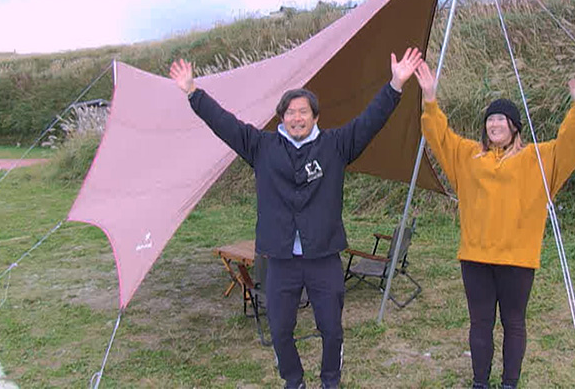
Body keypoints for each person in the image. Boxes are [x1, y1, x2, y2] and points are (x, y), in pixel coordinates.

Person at [169, 48, 424, 389]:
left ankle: (330, 380)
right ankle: (294, 380)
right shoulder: (261, 146)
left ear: (315, 117)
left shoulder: (336, 145)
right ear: (281, 118)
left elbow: (370, 121)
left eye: (303, 112)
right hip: (280, 259)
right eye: (290, 112)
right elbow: (224, 124)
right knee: (280, 329)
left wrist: (394, 85)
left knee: (331, 328)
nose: (297, 118)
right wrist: (192, 91)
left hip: (324, 257)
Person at [414, 62, 575, 389]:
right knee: (480, 324)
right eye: (490, 119)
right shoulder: (467, 156)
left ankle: (509, 383)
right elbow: (439, 136)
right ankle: (480, 383)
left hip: (517, 260)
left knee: (514, 324)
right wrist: (429, 99)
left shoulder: (537, 159)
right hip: (476, 258)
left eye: (501, 119)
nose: (494, 123)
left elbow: (570, 145)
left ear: (514, 127)